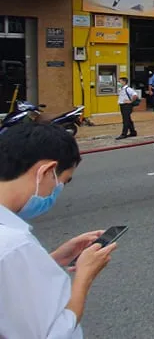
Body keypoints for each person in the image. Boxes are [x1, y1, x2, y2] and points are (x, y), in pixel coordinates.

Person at [0, 123, 117, 338]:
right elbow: (54, 332)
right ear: (46, 171)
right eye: (61, 182)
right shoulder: (14, 245)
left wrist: (51, 259)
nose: (57, 190)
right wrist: (84, 276)